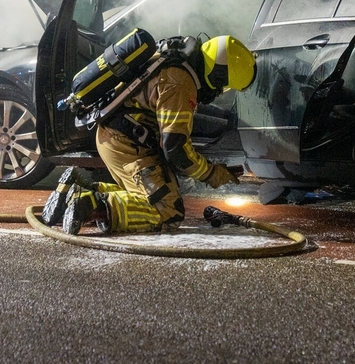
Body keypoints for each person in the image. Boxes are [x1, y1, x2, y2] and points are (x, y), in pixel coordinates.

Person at [42, 35, 257, 235]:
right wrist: (211, 174)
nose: (220, 92)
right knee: (167, 211)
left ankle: (78, 184)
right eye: (224, 86)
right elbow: (176, 149)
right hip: (127, 145)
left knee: (147, 193)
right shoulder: (180, 84)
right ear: (218, 75)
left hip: (116, 136)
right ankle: (89, 203)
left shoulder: (174, 57)